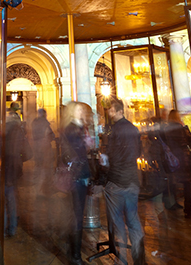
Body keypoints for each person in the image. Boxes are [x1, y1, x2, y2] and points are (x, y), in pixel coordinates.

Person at [100, 99, 144, 265]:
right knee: (133, 221)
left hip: (117, 180)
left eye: (111, 110)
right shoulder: (133, 128)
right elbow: (138, 152)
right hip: (132, 179)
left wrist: (104, 161)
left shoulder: (114, 130)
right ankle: (140, 260)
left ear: (118, 111)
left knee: (118, 222)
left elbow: (112, 156)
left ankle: (122, 260)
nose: (109, 113)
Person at [61, 102, 93, 265]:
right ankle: (75, 256)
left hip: (79, 175)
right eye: (79, 109)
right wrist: (87, 141)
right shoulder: (73, 129)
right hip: (77, 176)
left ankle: (71, 246)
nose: (82, 111)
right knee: (78, 215)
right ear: (73, 112)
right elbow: (79, 151)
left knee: (75, 213)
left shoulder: (77, 128)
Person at [164, 110, 191, 217]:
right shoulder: (181, 128)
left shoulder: (166, 129)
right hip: (184, 158)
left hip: (174, 158)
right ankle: (189, 208)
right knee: (187, 183)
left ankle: (174, 202)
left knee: (177, 181)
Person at [2, 109, 29, 237]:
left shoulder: (5, 129)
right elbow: (27, 153)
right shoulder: (19, 130)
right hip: (13, 168)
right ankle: (11, 227)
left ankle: (3, 227)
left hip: (5, 167)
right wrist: (19, 159)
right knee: (11, 197)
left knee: (4, 198)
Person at [30, 109, 55, 188]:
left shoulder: (34, 122)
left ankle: (36, 183)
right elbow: (50, 135)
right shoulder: (44, 123)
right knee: (46, 165)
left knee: (38, 164)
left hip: (36, 146)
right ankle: (44, 185)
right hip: (44, 146)